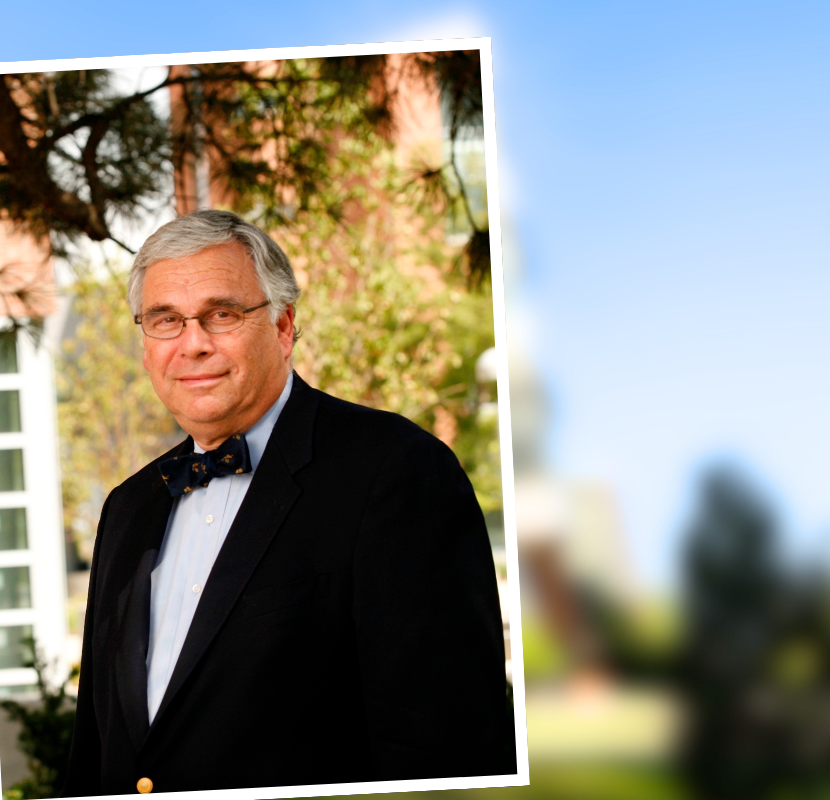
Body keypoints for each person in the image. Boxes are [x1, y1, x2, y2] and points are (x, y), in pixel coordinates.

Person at [61, 210, 514, 796]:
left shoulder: (397, 472)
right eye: (165, 320)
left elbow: (448, 750)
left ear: (282, 326)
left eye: (221, 314)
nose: (192, 344)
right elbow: (95, 751)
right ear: (146, 344)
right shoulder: (127, 508)